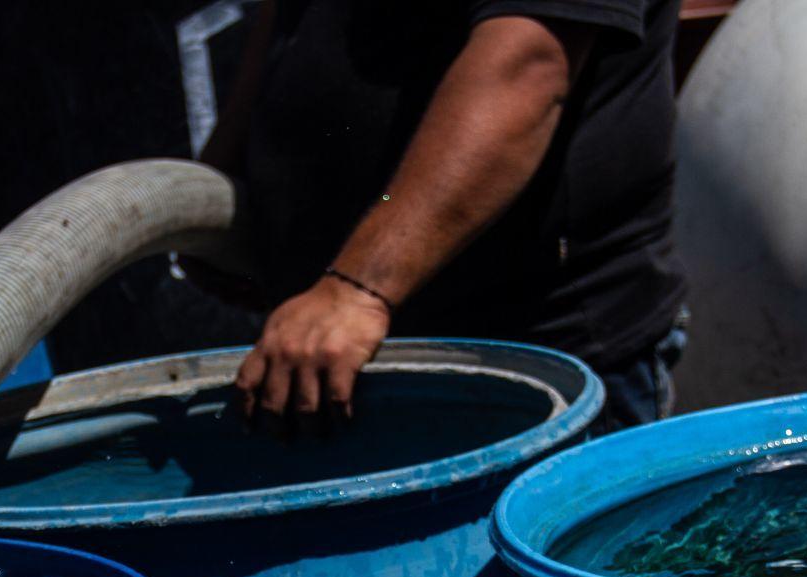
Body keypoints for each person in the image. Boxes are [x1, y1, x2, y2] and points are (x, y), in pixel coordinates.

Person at [201, 0, 689, 432]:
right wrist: (229, 169)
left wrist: (359, 287)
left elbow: (527, 67)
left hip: (532, 367)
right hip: (337, 337)